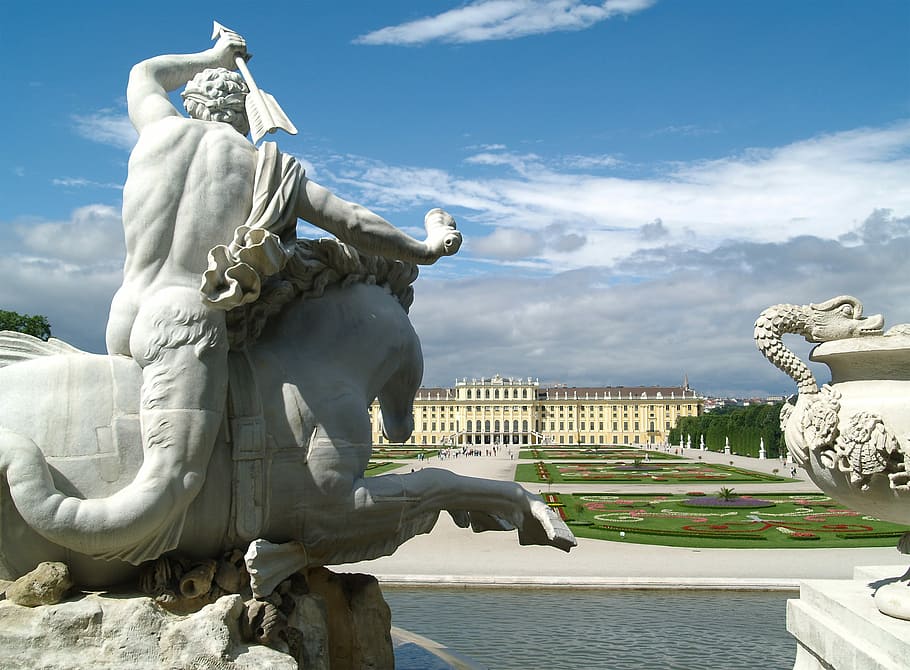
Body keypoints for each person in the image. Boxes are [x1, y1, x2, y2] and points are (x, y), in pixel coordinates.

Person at [100, 28, 461, 561]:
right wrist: (424, 249)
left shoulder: (156, 132)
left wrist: (212, 55)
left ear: (192, 101)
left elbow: (144, 74)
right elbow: (355, 224)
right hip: (187, 323)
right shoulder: (265, 168)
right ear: (247, 114)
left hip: (124, 314)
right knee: (176, 480)